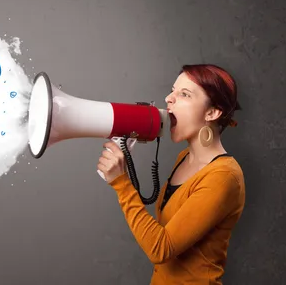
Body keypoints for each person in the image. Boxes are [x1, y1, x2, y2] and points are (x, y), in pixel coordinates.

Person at [97, 64, 245, 284]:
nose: (168, 99)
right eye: (172, 90)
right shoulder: (184, 158)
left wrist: (121, 183)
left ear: (212, 112)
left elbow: (161, 249)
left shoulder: (223, 176)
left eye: (184, 94)